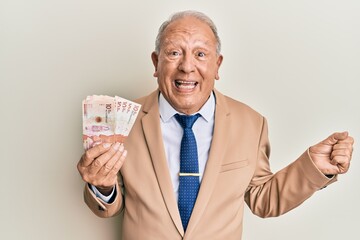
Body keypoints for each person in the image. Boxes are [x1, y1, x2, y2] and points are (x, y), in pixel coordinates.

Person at [77, 10, 354, 240]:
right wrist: (102, 187)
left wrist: (314, 168)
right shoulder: (121, 122)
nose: (187, 67)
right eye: (174, 53)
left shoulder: (251, 123)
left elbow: (263, 198)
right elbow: (109, 206)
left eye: (200, 54)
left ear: (217, 65)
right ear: (156, 62)